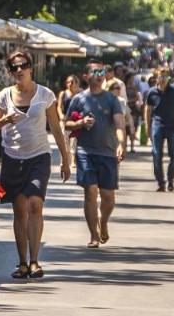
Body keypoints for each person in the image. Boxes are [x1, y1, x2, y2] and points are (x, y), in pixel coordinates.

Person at [0, 50, 69, 279]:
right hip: (13, 157)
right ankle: (22, 262)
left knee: (35, 204)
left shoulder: (45, 95)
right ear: (10, 71)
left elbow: (55, 127)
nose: (19, 70)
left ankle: (34, 261)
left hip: (39, 156)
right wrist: (4, 120)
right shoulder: (4, 96)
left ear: (31, 68)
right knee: (20, 209)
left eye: (23, 65)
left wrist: (65, 158)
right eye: (14, 67)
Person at [64, 60, 126, 249]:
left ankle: (103, 222)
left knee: (108, 197)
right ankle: (93, 235)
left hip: (108, 153)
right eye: (95, 72)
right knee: (90, 192)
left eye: (102, 71)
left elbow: (119, 125)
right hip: (86, 152)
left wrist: (121, 144)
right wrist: (81, 123)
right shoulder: (79, 99)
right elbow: (66, 124)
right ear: (86, 76)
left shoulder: (111, 99)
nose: (99, 75)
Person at [144, 69, 174, 191]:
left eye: (165, 76)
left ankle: (171, 179)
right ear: (157, 77)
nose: (163, 78)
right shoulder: (152, 92)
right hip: (157, 125)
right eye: (161, 76)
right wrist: (147, 126)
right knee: (156, 154)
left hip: (173, 126)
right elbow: (148, 110)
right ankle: (161, 182)